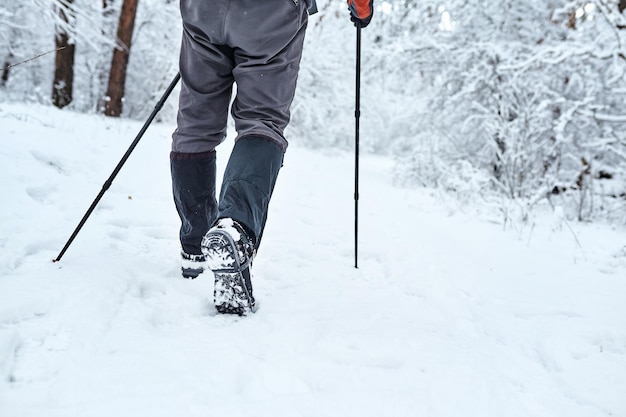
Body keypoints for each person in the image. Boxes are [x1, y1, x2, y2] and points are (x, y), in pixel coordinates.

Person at [170, 0, 374, 315]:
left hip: (204, 10)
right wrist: (362, 9)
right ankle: (234, 230)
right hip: (269, 14)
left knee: (195, 123)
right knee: (262, 120)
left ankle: (196, 245)